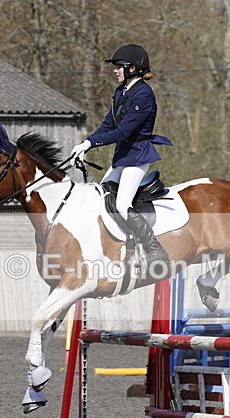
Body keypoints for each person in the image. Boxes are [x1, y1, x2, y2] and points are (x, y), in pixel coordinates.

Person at [70, 44, 172, 268]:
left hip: (138, 155)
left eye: (119, 67)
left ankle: (154, 250)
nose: (115, 71)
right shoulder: (121, 92)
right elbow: (108, 125)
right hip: (123, 156)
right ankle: (127, 244)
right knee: (103, 196)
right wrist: (85, 144)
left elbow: (124, 131)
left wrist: (91, 142)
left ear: (133, 68)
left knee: (123, 203)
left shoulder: (144, 94)